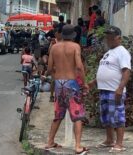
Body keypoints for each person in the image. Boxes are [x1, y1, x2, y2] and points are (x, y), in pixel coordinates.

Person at [45, 25, 89, 155]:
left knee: (58, 114)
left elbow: (49, 68)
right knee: (77, 115)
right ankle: (77, 146)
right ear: (73, 35)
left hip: (59, 83)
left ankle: (50, 142)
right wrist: (84, 83)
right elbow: (79, 67)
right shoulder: (75, 47)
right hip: (72, 83)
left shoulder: (54, 47)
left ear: (62, 35)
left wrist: (53, 76)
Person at [88, 26, 131, 153]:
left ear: (119, 38)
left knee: (118, 117)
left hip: (114, 90)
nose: (108, 39)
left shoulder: (122, 51)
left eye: (111, 37)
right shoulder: (109, 52)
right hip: (104, 90)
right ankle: (109, 140)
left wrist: (120, 88)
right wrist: (94, 82)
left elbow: (126, 71)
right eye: (107, 37)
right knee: (106, 117)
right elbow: (107, 70)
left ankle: (119, 143)